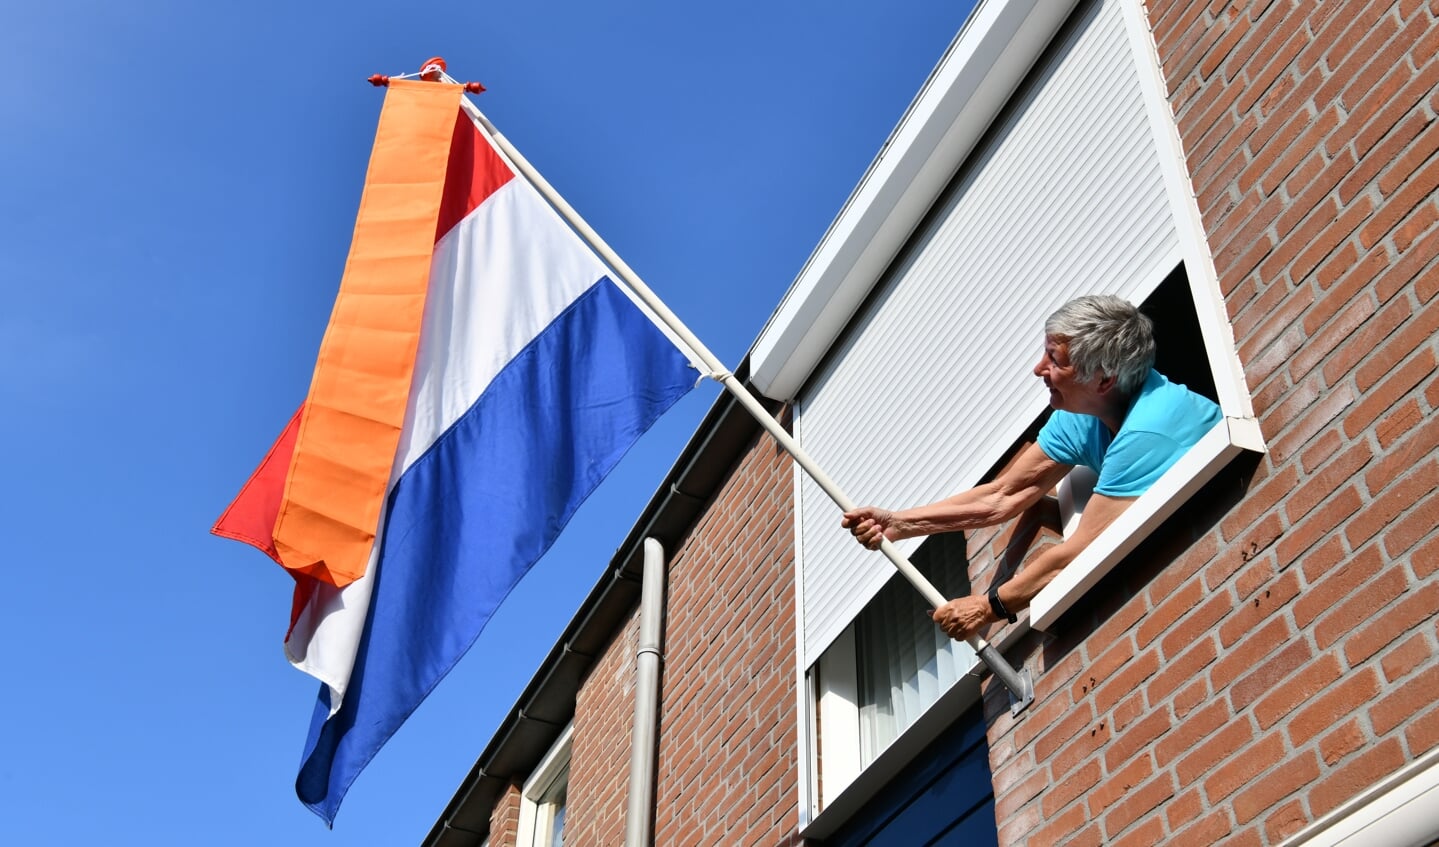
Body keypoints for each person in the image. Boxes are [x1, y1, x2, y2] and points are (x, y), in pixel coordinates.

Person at [841, 294, 1221, 642]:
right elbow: (1003, 495)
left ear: (1103, 379)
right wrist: (900, 523)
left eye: (1055, 361)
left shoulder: (1151, 429)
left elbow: (1080, 551)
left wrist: (988, 607)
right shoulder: (1082, 416)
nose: (1038, 368)